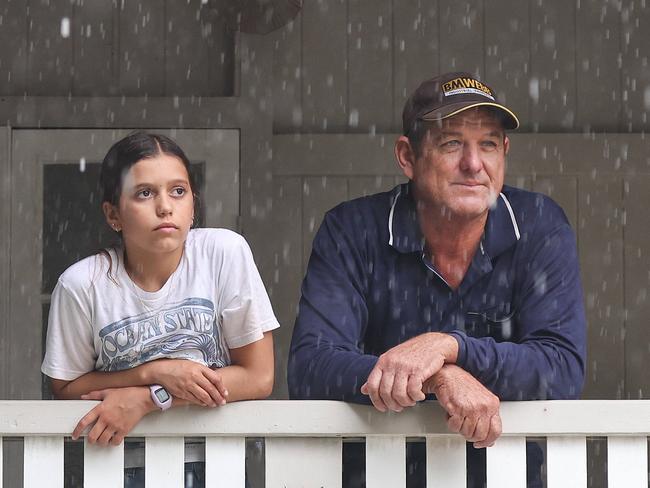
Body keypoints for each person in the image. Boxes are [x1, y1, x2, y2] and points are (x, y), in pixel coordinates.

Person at [288, 72, 586, 486]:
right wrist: (438, 376)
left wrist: (450, 347)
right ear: (407, 157)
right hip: (375, 471)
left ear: (504, 152)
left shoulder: (539, 224)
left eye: (488, 144)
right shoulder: (353, 229)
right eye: (451, 143)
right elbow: (310, 367)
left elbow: (562, 369)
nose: (473, 164)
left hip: (505, 472)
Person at [41, 131, 279, 487]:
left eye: (178, 191)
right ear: (113, 214)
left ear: (193, 205)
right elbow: (66, 388)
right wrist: (157, 372)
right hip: (114, 462)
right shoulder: (82, 285)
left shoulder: (224, 253)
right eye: (144, 193)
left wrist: (150, 398)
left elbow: (259, 377)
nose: (165, 206)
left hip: (217, 459)